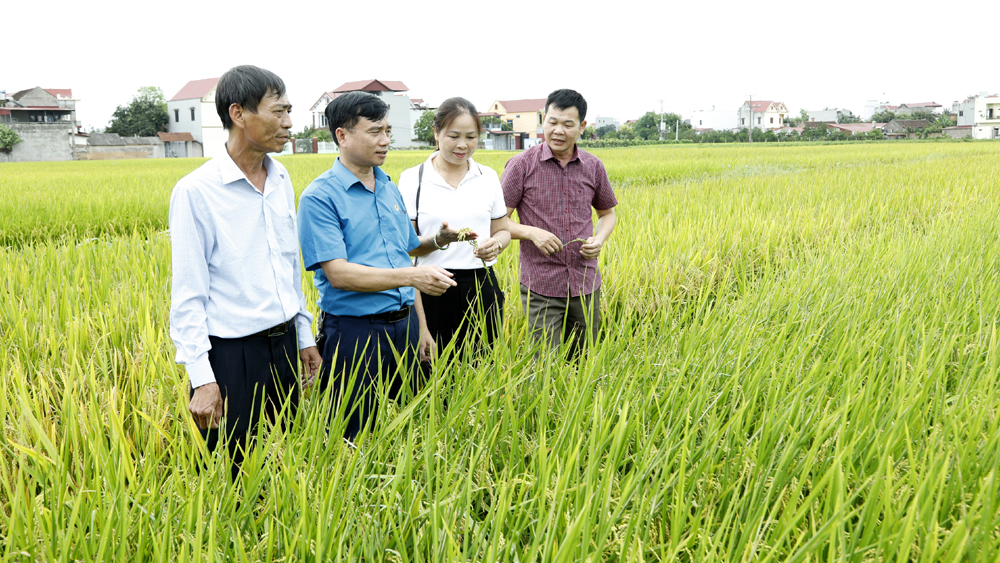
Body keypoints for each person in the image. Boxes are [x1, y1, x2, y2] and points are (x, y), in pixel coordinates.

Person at [169, 65, 322, 481]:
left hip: (284, 346)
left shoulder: (281, 176)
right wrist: (202, 379)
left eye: (289, 111)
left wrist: (303, 335)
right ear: (238, 113)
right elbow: (188, 295)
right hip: (232, 355)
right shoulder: (196, 191)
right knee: (233, 477)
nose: (289, 122)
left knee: (285, 463)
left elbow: (288, 265)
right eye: (278, 111)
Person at [297, 91, 457, 441]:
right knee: (352, 434)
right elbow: (338, 274)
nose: (385, 141)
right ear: (342, 135)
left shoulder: (388, 187)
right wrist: (412, 274)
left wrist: (440, 243)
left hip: (406, 326)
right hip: (356, 333)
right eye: (374, 131)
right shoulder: (320, 197)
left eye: (388, 131)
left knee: (413, 426)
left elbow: (409, 252)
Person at [501, 89, 618, 357]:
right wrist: (532, 233)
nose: (558, 130)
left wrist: (598, 240)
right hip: (541, 285)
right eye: (552, 122)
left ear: (582, 127)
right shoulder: (520, 165)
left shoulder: (593, 166)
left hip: (585, 282)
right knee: (545, 367)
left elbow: (607, 214)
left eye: (568, 124)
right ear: (543, 120)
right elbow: (497, 222)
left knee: (585, 362)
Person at [397, 97, 510, 356]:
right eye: (454, 136)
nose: (463, 145)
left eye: (471, 137)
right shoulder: (412, 178)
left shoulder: (488, 176)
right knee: (430, 371)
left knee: (482, 369)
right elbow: (404, 247)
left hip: (481, 284)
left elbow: (502, 230)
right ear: (436, 133)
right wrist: (439, 240)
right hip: (430, 285)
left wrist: (496, 245)